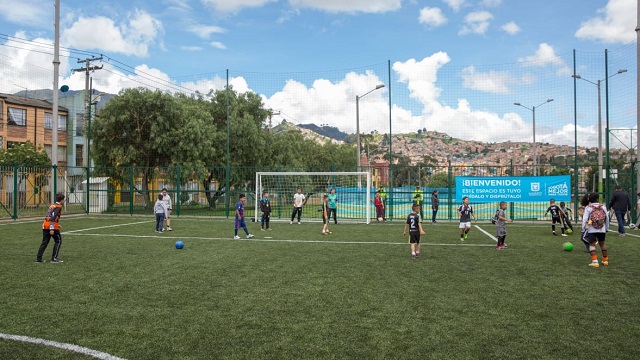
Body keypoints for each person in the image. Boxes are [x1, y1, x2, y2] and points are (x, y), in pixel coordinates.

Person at [582, 192, 610, 268]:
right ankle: (605, 260)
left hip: (592, 229)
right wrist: (606, 228)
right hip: (602, 228)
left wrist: (583, 228)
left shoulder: (588, 207)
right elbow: (607, 218)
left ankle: (595, 262)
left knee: (592, 244)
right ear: (597, 199)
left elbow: (584, 219)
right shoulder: (603, 206)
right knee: (602, 244)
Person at [36, 193, 66, 263]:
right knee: (58, 241)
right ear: (61, 200)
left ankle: (39, 258)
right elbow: (53, 218)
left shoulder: (52, 205)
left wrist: (57, 225)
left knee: (45, 242)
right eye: (63, 200)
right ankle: (54, 258)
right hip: (51, 226)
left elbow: (49, 216)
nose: (63, 201)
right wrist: (52, 228)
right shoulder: (58, 206)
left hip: (45, 225)